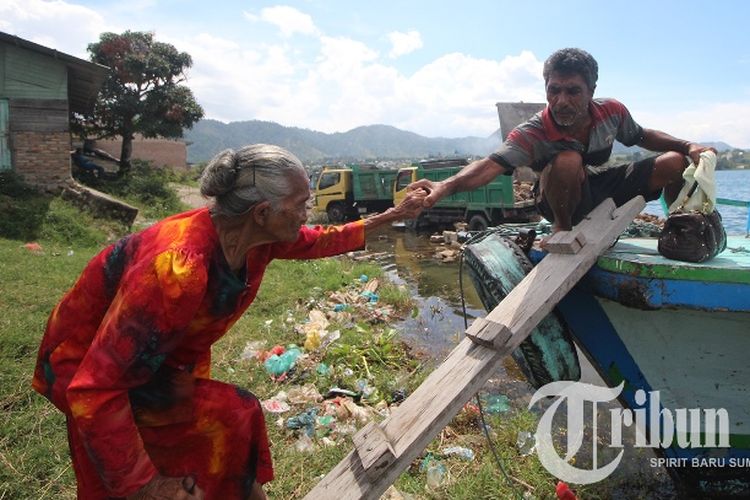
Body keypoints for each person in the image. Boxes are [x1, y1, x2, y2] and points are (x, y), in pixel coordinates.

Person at [32, 144, 426, 499]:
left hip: (158, 366)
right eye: (301, 204)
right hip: (91, 370)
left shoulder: (256, 240)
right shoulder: (177, 269)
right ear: (262, 212)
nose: (307, 214)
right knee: (121, 475)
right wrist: (146, 487)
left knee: (237, 415)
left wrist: (395, 214)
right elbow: (96, 389)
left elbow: (319, 238)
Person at [409, 48, 716, 236]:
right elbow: (491, 165)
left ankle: (678, 225)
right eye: (554, 90)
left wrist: (689, 146)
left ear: (591, 90)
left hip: (601, 187)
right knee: (568, 159)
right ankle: (563, 228)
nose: (561, 100)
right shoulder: (533, 131)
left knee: (675, 161)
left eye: (572, 91)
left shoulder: (612, 112)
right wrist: (445, 187)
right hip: (559, 200)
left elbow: (642, 136)